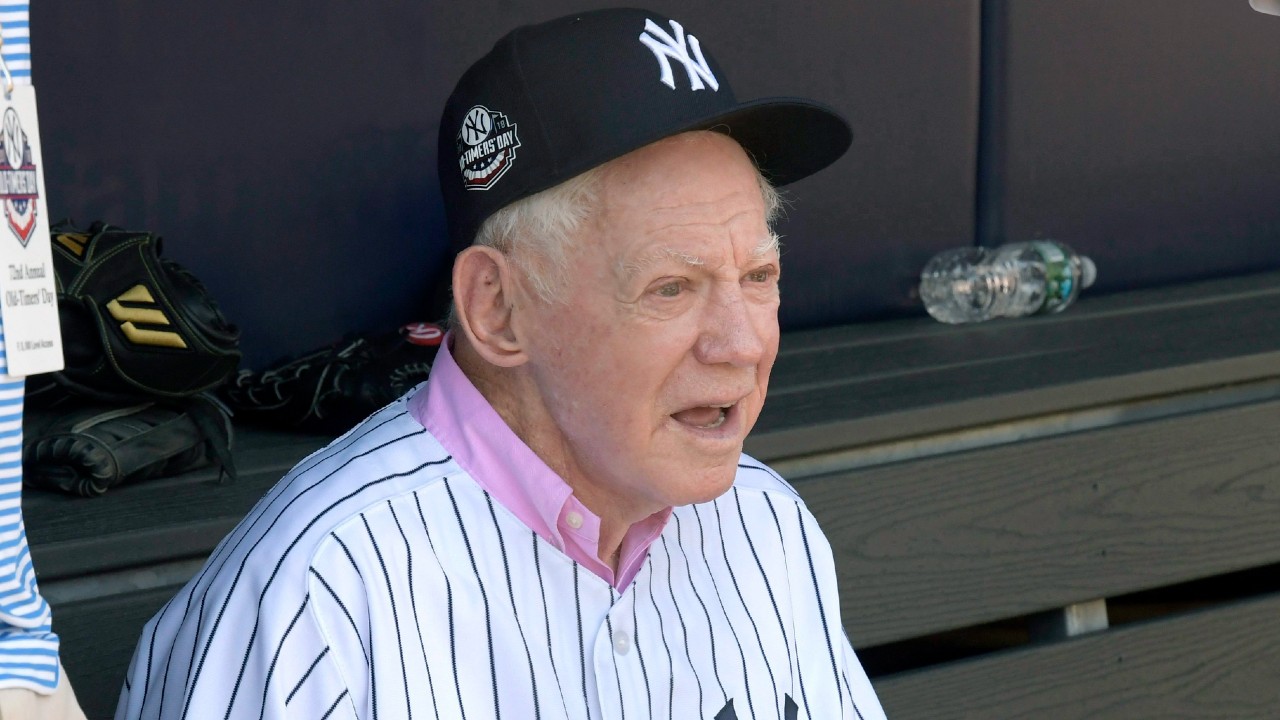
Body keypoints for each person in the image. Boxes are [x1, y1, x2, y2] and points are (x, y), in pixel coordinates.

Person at [116, 8, 887, 719]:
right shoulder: (321, 588)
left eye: (758, 278)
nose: (742, 343)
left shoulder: (763, 520)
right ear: (497, 308)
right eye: (671, 287)